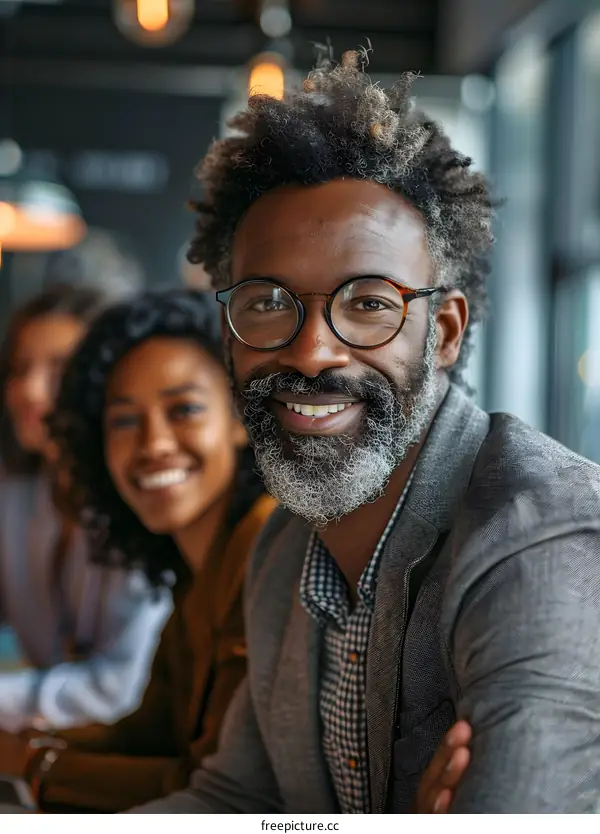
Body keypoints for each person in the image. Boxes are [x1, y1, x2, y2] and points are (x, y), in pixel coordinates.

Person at [133, 48, 600, 814]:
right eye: (266, 302)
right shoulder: (285, 549)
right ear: (227, 336)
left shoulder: (546, 544)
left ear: (444, 332)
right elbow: (232, 801)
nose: (312, 349)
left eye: (370, 303)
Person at [0, 290, 276, 813]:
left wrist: (35, 764)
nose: (152, 443)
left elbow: (220, 792)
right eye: (124, 420)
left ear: (242, 419)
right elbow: (145, 735)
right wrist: (30, 752)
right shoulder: (195, 571)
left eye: (184, 410)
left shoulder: (264, 550)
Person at [0, 285, 171, 732]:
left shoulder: (148, 501)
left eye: (59, 369)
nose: (29, 390)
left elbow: (119, 689)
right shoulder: (17, 491)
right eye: (20, 369)